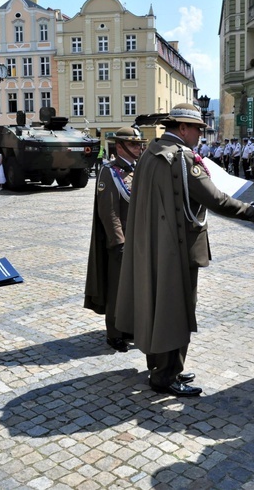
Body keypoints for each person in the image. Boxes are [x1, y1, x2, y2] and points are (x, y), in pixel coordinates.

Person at [115, 104, 254, 397]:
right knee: (176, 310)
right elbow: (215, 199)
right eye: (198, 129)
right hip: (177, 249)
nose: (200, 135)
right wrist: (251, 211)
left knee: (156, 306)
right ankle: (167, 375)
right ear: (183, 128)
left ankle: (161, 366)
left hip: (153, 245)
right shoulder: (181, 158)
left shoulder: (150, 152)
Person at [84, 126, 147, 352]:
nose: (138, 148)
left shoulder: (138, 169)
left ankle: (130, 326)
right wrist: (118, 242)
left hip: (139, 242)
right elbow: (109, 212)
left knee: (136, 289)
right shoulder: (109, 172)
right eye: (132, 144)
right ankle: (115, 333)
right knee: (118, 290)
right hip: (120, 244)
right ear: (119, 146)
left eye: (139, 144)